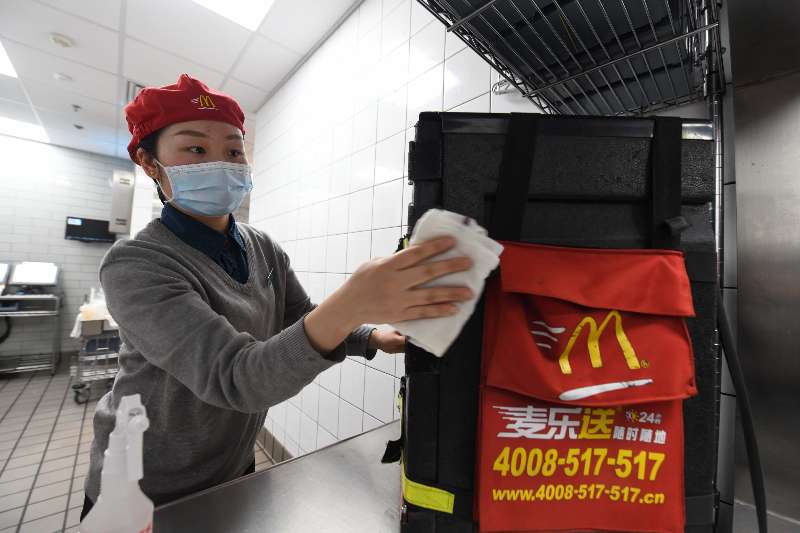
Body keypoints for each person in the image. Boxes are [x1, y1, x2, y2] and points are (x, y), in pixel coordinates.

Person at [81, 74, 474, 518]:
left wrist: (370, 336)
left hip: (232, 465)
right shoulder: (136, 265)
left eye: (234, 151)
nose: (221, 163)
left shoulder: (262, 246)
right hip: (141, 487)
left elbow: (300, 316)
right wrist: (353, 301)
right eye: (196, 149)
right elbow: (234, 378)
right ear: (150, 163)